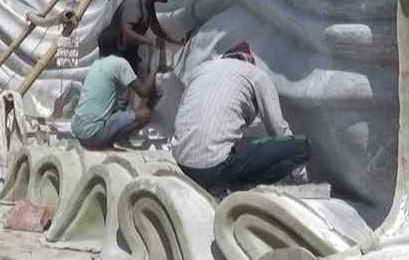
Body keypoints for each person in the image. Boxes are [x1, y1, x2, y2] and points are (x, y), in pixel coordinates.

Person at [171, 41, 312, 195]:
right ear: (249, 61)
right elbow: (278, 129)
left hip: (181, 163)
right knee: (302, 146)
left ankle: (230, 186)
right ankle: (241, 189)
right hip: (215, 168)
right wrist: (300, 177)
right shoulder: (256, 75)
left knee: (241, 145)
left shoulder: (201, 70)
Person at [71, 25, 158, 149]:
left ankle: (110, 138)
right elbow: (143, 92)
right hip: (92, 135)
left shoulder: (97, 63)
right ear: (119, 43)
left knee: (122, 105)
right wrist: (154, 70)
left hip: (78, 130)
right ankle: (116, 141)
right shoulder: (120, 63)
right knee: (145, 114)